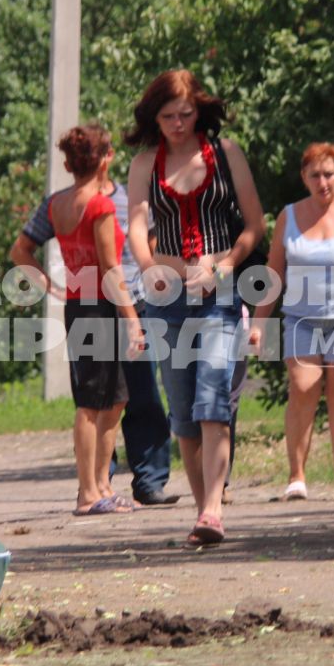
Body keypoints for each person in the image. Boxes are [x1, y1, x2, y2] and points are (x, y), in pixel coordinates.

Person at [125, 69, 265, 546]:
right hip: (166, 298)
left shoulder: (227, 155)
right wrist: (157, 268)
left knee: (213, 397)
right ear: (154, 118)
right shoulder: (144, 163)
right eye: (168, 116)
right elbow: (137, 236)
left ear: (199, 110)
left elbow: (253, 227)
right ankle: (204, 511)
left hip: (220, 293)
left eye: (186, 114)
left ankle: (212, 510)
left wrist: (221, 269)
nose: (179, 123)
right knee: (182, 410)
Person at [14, 155, 179, 509]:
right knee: (102, 397)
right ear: (105, 158)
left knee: (139, 393)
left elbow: (150, 242)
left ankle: (148, 480)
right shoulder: (66, 202)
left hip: (137, 299)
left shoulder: (132, 199)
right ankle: (100, 484)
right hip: (102, 304)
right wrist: (50, 286)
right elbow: (24, 249)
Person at [250, 142, 334, 500]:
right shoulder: (288, 215)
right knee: (303, 388)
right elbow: (274, 272)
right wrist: (259, 324)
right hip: (301, 318)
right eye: (315, 175)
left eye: (329, 174)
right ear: (304, 177)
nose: (323, 182)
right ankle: (296, 477)